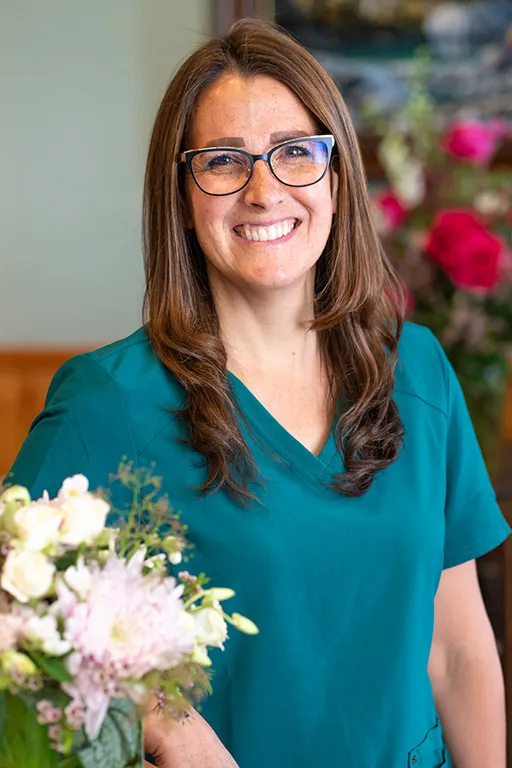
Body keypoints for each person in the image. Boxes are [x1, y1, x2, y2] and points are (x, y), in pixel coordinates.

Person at [7, 18, 510, 768]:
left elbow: (457, 649)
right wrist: (165, 719)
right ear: (181, 194)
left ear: (336, 179)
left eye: (294, 153)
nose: (264, 189)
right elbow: (13, 615)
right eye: (223, 161)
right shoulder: (107, 403)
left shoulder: (420, 370)